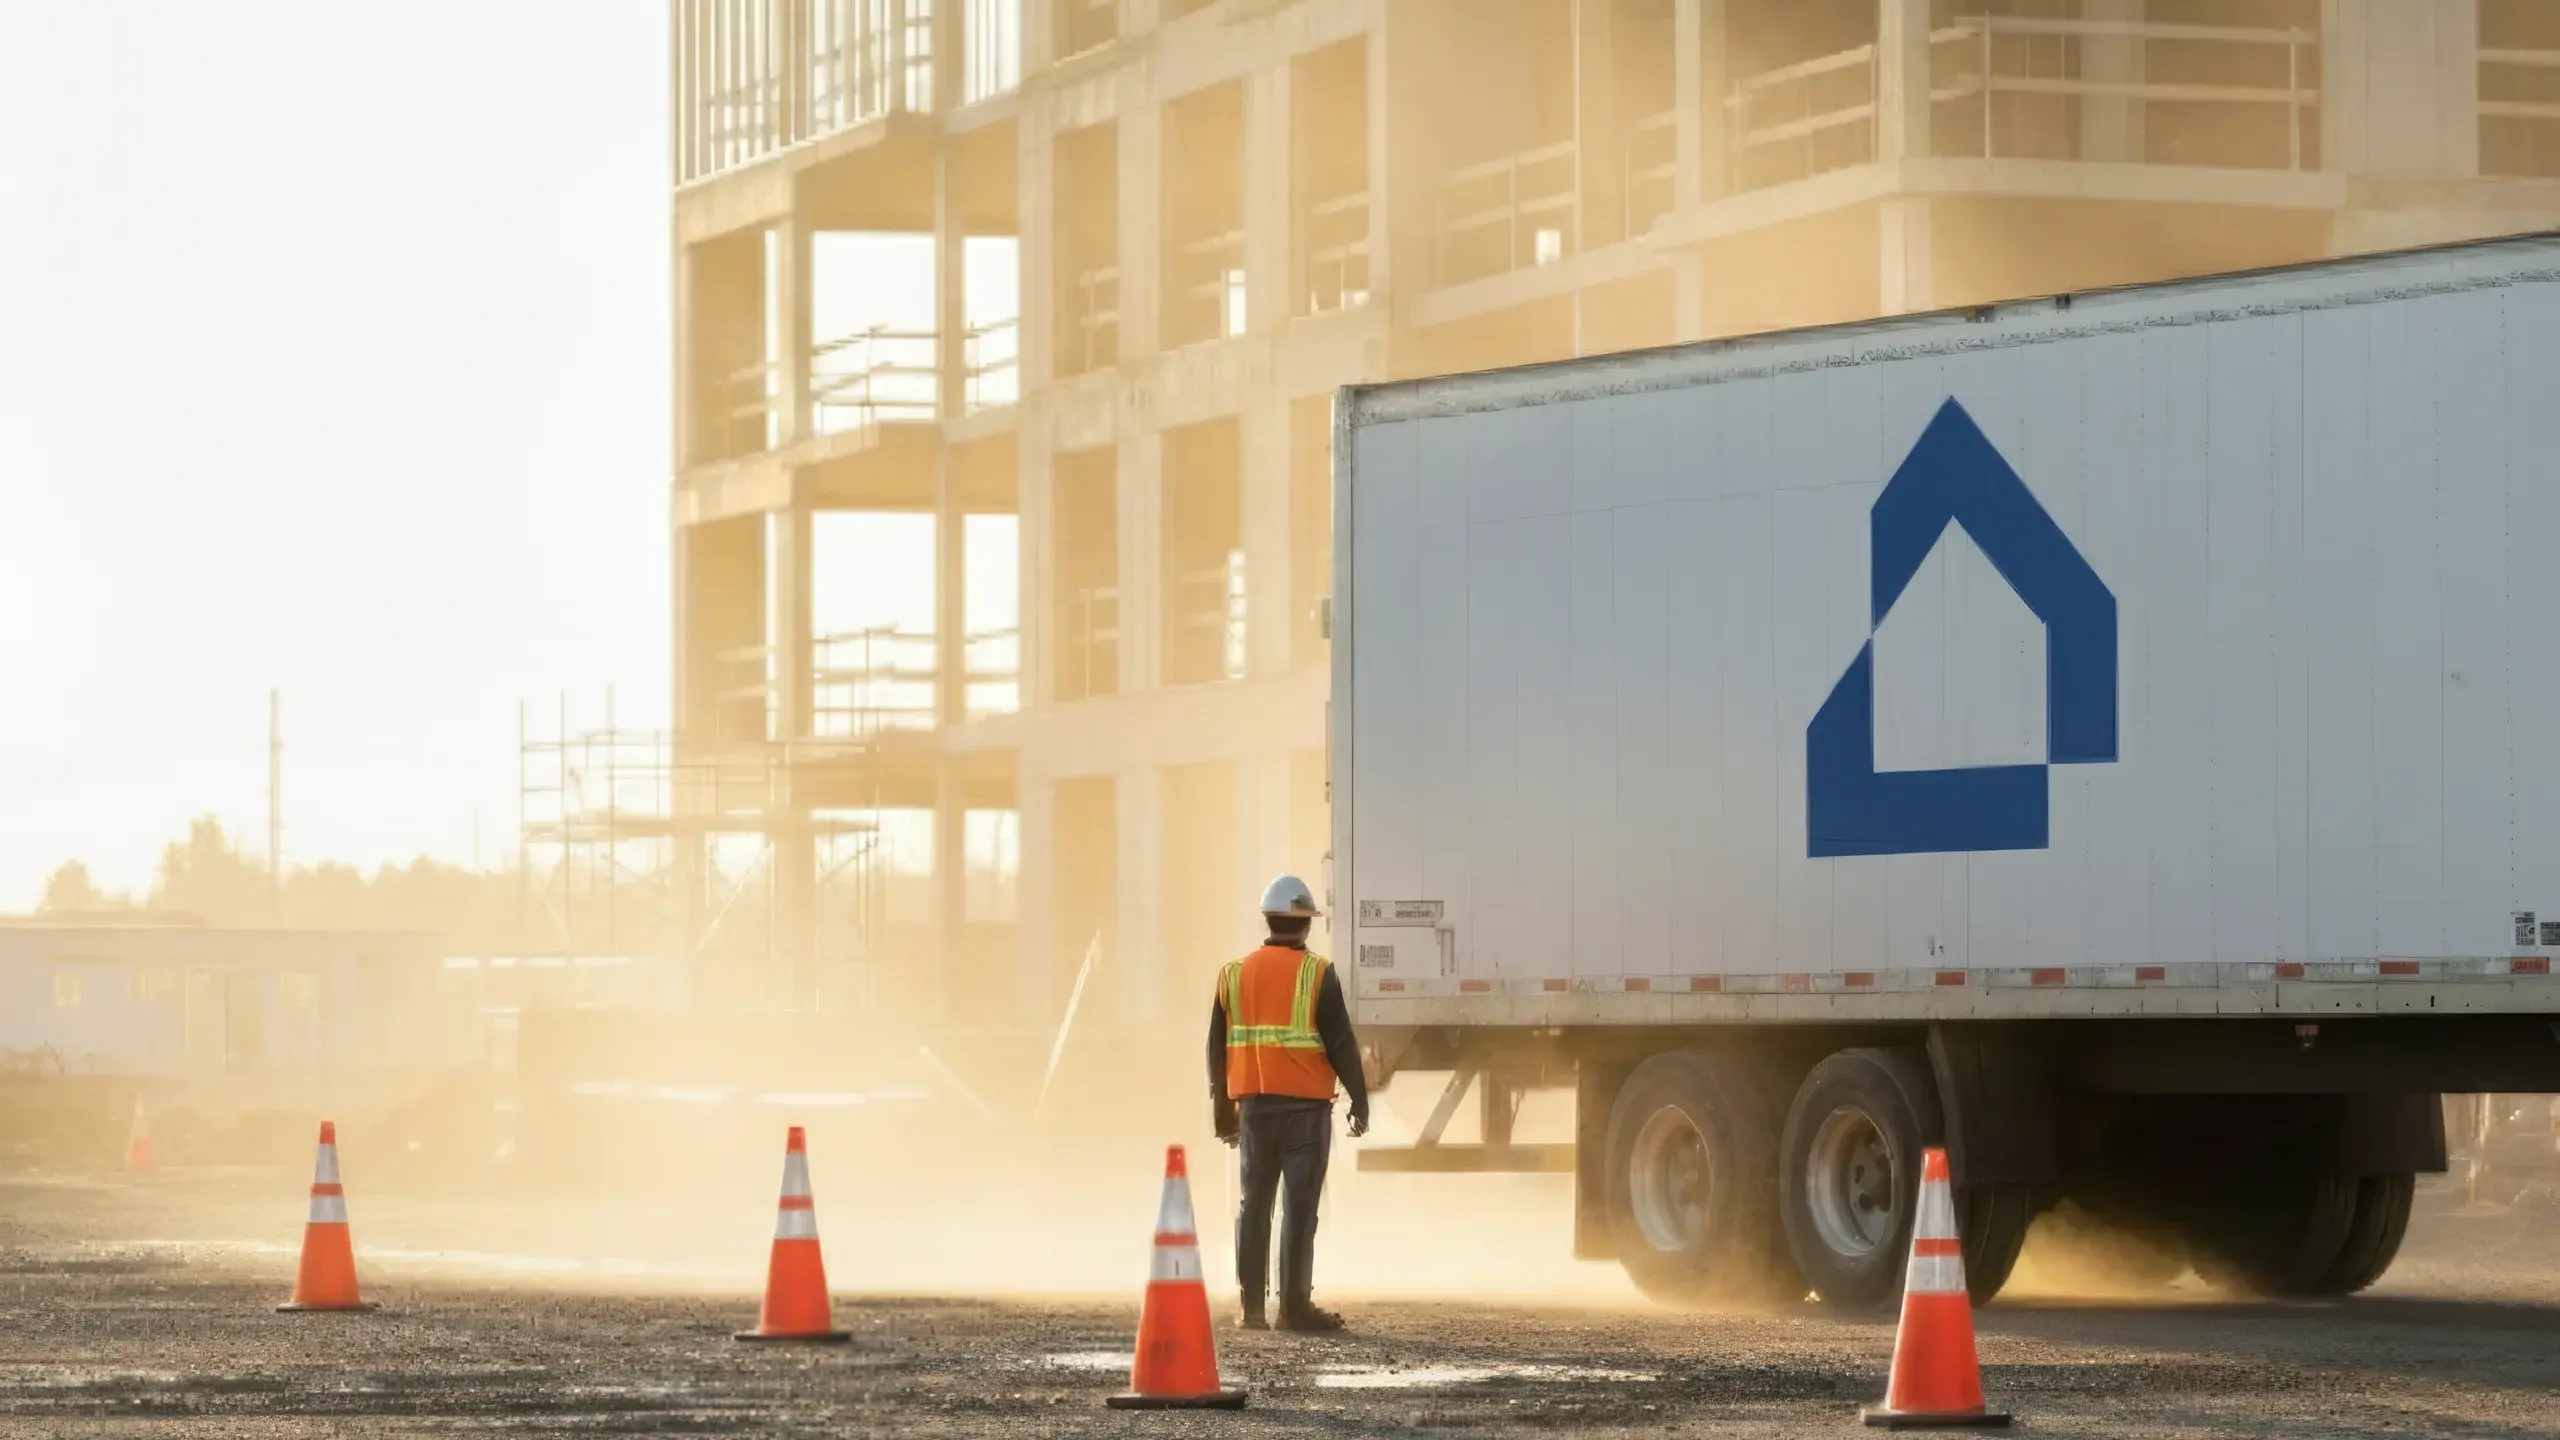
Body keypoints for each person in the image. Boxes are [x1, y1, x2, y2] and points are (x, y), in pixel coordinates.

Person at [1208, 873, 1369, 1332]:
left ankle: (1251, 1310)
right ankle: (1294, 1309)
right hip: (1305, 1116)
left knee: (1253, 1206)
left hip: (1255, 1112)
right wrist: (1360, 1100)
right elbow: (1340, 1043)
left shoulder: (1233, 975)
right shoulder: (1318, 973)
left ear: (1268, 919)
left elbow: (1215, 1052)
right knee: (1299, 1209)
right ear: (1306, 926)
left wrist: (1223, 1113)